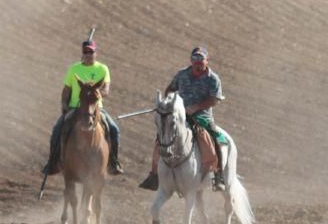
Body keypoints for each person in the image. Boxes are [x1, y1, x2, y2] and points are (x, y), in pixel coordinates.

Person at [139, 46, 228, 192]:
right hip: (180, 115)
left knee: (214, 136)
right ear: (191, 60)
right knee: (161, 136)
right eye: (195, 58)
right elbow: (170, 89)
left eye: (201, 59)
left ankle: (218, 175)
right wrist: (167, 104)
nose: (198, 62)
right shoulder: (182, 74)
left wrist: (196, 107)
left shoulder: (213, 79)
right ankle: (154, 174)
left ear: (207, 60)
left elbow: (215, 100)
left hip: (202, 116)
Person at [43, 39, 123, 176]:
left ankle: (113, 162)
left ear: (96, 53)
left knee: (114, 129)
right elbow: (66, 90)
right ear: (82, 53)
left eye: (91, 52)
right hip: (75, 108)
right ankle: (53, 162)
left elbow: (106, 90)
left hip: (96, 109)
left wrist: (96, 93)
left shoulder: (102, 69)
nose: (88, 54)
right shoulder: (74, 69)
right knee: (57, 129)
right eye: (85, 52)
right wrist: (64, 104)